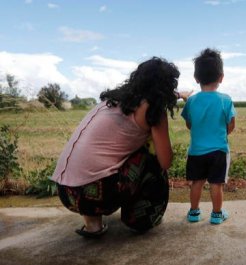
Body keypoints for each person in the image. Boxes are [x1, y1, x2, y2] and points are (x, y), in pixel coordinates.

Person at [51, 57, 191, 238]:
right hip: (98, 195)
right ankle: (142, 219)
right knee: (151, 157)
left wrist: (179, 95)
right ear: (165, 87)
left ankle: (92, 224)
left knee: (104, 159)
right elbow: (165, 161)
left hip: (66, 193)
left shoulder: (112, 101)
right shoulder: (153, 110)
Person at [181, 48, 236, 225]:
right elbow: (231, 125)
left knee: (196, 182)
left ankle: (194, 212)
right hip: (218, 150)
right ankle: (217, 214)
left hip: (196, 151)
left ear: (196, 78)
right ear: (221, 77)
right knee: (216, 184)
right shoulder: (225, 100)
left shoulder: (191, 101)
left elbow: (189, 124)